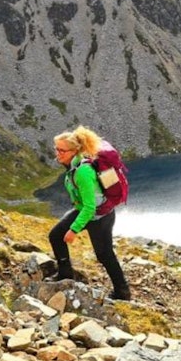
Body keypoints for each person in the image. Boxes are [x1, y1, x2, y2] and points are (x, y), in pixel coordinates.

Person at [49, 126, 131, 300]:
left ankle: (122, 292)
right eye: (56, 148)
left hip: (100, 217)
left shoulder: (83, 172)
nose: (58, 153)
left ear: (74, 151)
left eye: (62, 150)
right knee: (56, 235)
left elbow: (90, 207)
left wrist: (74, 230)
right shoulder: (73, 165)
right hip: (86, 212)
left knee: (104, 254)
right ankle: (65, 275)